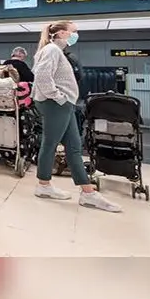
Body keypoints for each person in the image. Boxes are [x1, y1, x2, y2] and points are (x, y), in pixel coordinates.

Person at [31, 20, 122, 212]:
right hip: (56, 104)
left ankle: (88, 193)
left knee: (74, 147)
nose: (76, 35)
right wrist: (59, 97)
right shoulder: (52, 50)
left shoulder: (57, 51)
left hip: (63, 104)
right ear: (62, 33)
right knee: (50, 143)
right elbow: (41, 76)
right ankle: (43, 185)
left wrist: (63, 99)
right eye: (74, 31)